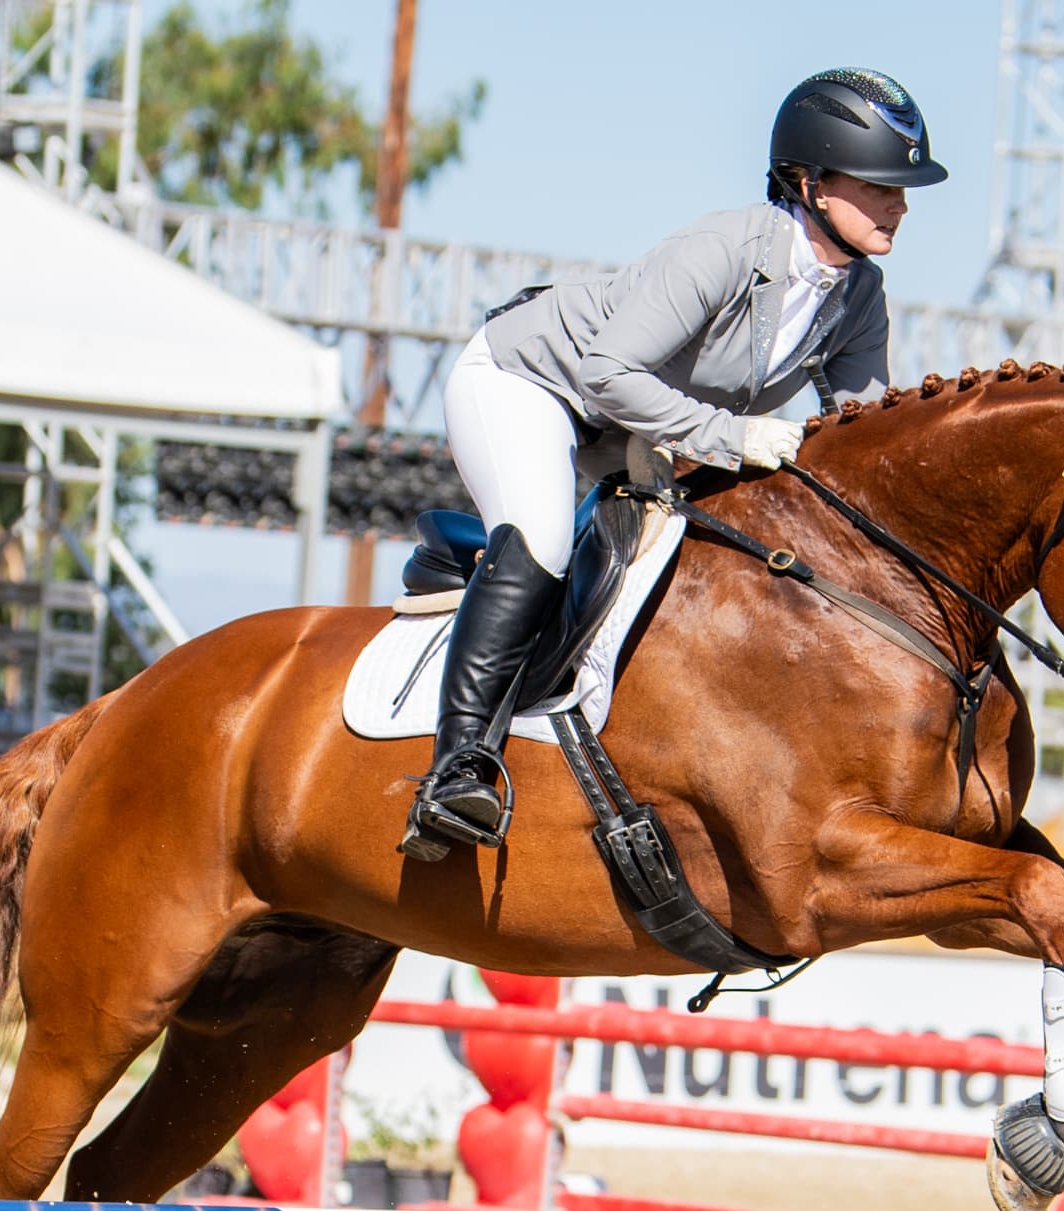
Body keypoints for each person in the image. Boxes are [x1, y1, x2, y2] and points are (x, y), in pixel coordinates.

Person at [398, 67, 948, 861]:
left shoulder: (859, 294)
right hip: (532, 381)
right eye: (880, 184)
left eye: (902, 187)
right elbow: (607, 374)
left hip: (640, 428)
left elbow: (865, 431)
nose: (900, 202)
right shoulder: (724, 249)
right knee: (546, 539)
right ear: (811, 184)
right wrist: (736, 435)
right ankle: (456, 771)